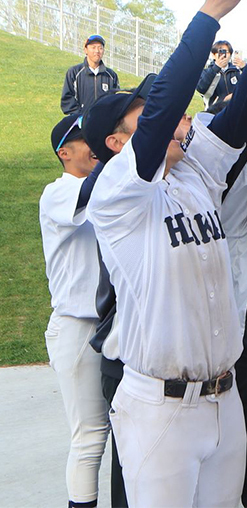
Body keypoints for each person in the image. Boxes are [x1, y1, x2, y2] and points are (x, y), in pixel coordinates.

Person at [83, 0, 247, 507]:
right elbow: (163, 111)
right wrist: (208, 15)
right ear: (116, 143)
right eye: (143, 115)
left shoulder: (192, 171)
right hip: (160, 407)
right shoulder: (116, 192)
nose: (172, 118)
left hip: (223, 397)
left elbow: (242, 117)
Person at [40, 114, 109, 508]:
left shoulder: (107, 187)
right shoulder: (58, 193)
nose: (93, 145)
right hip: (78, 328)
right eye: (86, 139)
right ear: (64, 153)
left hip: (113, 326)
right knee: (90, 438)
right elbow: (90, 191)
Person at [61, 35, 120, 115]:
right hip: (80, 120)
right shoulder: (74, 72)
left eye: (100, 48)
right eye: (93, 47)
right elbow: (67, 100)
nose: (97, 51)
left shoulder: (111, 76)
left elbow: (116, 100)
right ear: (86, 50)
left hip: (104, 120)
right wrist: (81, 116)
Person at [197, 38, 242, 108]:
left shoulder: (236, 71)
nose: (223, 55)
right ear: (213, 55)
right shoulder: (206, 72)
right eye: (220, 52)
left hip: (236, 108)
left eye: (226, 52)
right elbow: (201, 89)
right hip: (216, 110)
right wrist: (216, 68)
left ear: (230, 55)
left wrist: (244, 67)